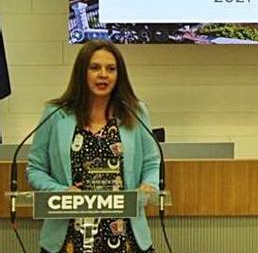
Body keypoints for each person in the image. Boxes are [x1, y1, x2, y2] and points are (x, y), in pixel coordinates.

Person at [27, 40, 159, 253]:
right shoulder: (55, 114)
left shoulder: (136, 112)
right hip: (69, 236)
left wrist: (149, 185)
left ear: (119, 74)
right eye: (95, 67)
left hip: (125, 235)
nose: (103, 74)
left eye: (111, 69)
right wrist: (61, 192)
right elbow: (35, 170)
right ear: (82, 72)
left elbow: (152, 162)